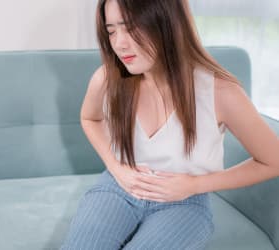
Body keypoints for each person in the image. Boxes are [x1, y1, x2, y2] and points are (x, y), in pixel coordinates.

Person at [60, 0, 279, 249]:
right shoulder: (108, 78)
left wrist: (195, 185)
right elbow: (90, 118)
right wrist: (116, 168)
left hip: (184, 203)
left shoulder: (220, 92)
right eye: (111, 31)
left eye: (130, 27)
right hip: (117, 189)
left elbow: (274, 160)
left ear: (168, 22)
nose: (119, 43)